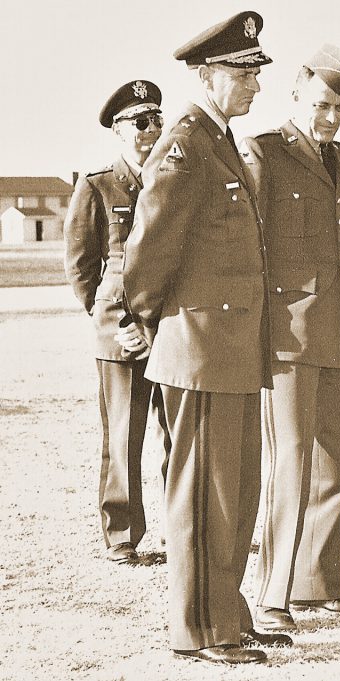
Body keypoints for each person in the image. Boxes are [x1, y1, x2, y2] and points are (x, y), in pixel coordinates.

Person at [121, 10, 289, 664]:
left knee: (236, 491)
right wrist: (162, 328)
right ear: (206, 74)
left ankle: (227, 610)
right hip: (198, 351)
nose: (254, 84)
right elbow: (146, 252)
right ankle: (197, 628)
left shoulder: (219, 141)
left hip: (233, 351)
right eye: (243, 72)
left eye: (255, 72)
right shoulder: (186, 144)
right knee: (201, 495)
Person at [242, 44, 340, 633]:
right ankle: (274, 597)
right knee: (290, 464)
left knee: (334, 466)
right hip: (288, 339)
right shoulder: (265, 154)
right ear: (296, 94)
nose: (329, 117)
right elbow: (253, 253)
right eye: (321, 104)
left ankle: (319, 588)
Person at [64, 80, 172, 565]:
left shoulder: (174, 177)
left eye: (156, 120)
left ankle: (183, 528)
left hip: (172, 328)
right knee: (124, 437)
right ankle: (122, 536)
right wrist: (110, 320)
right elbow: (82, 266)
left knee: (179, 434)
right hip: (122, 334)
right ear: (118, 130)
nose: (151, 130)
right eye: (139, 122)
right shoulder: (98, 184)